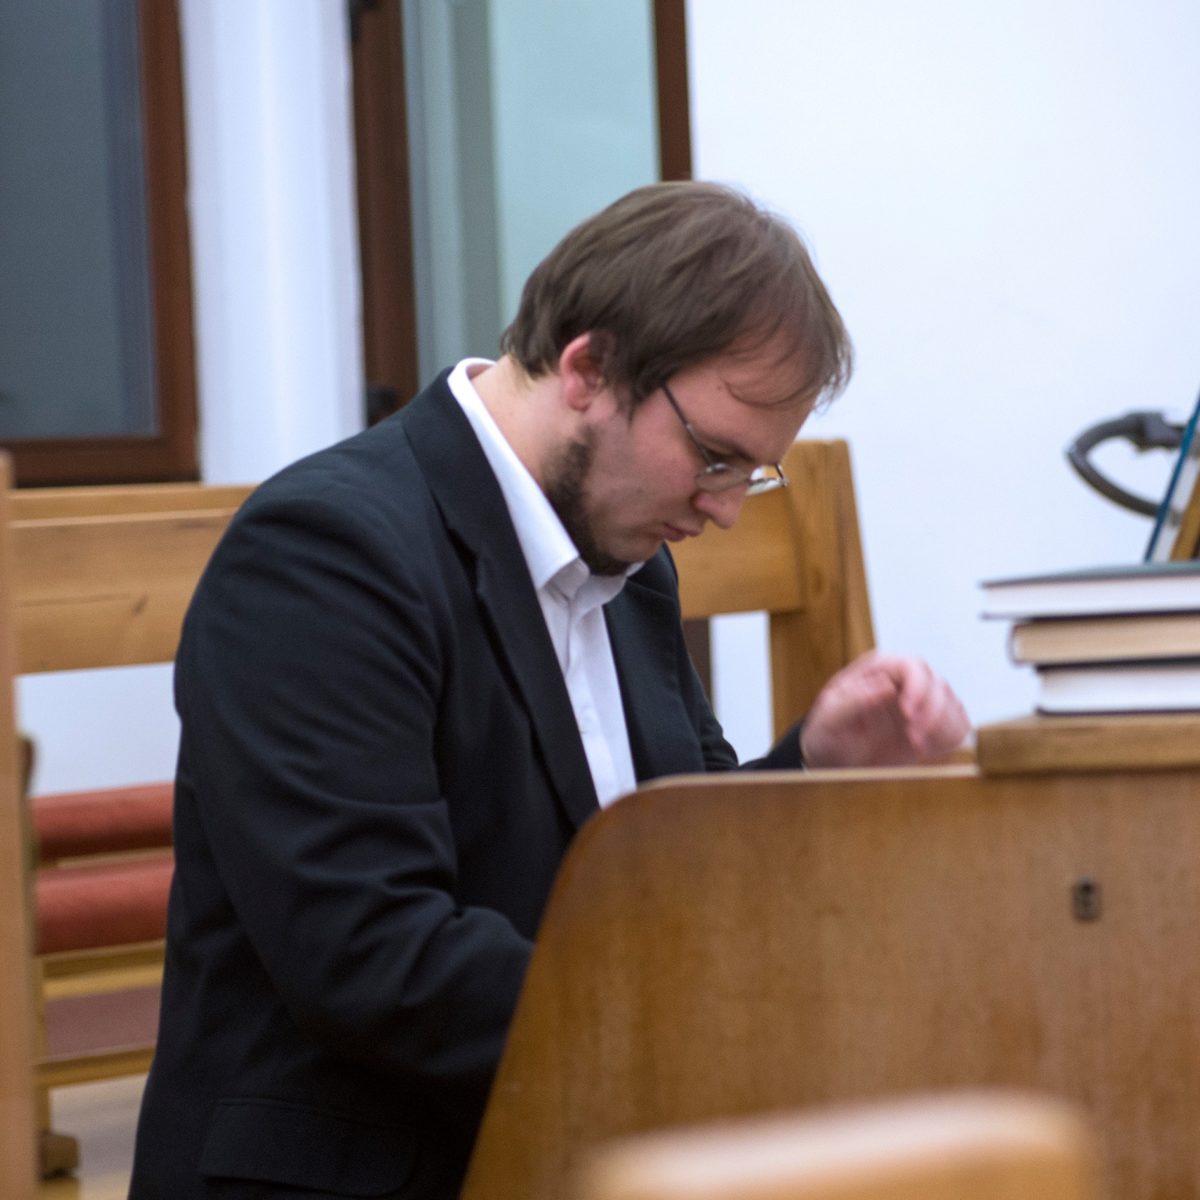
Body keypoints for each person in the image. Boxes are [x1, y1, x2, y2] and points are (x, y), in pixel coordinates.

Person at [130, 182, 968, 1199]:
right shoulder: (326, 552)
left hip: (575, 1145)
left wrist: (815, 767)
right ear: (589, 368)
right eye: (714, 458)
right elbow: (372, 958)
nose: (725, 510)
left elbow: (668, 857)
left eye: (752, 475)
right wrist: (717, 1032)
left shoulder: (626, 560)